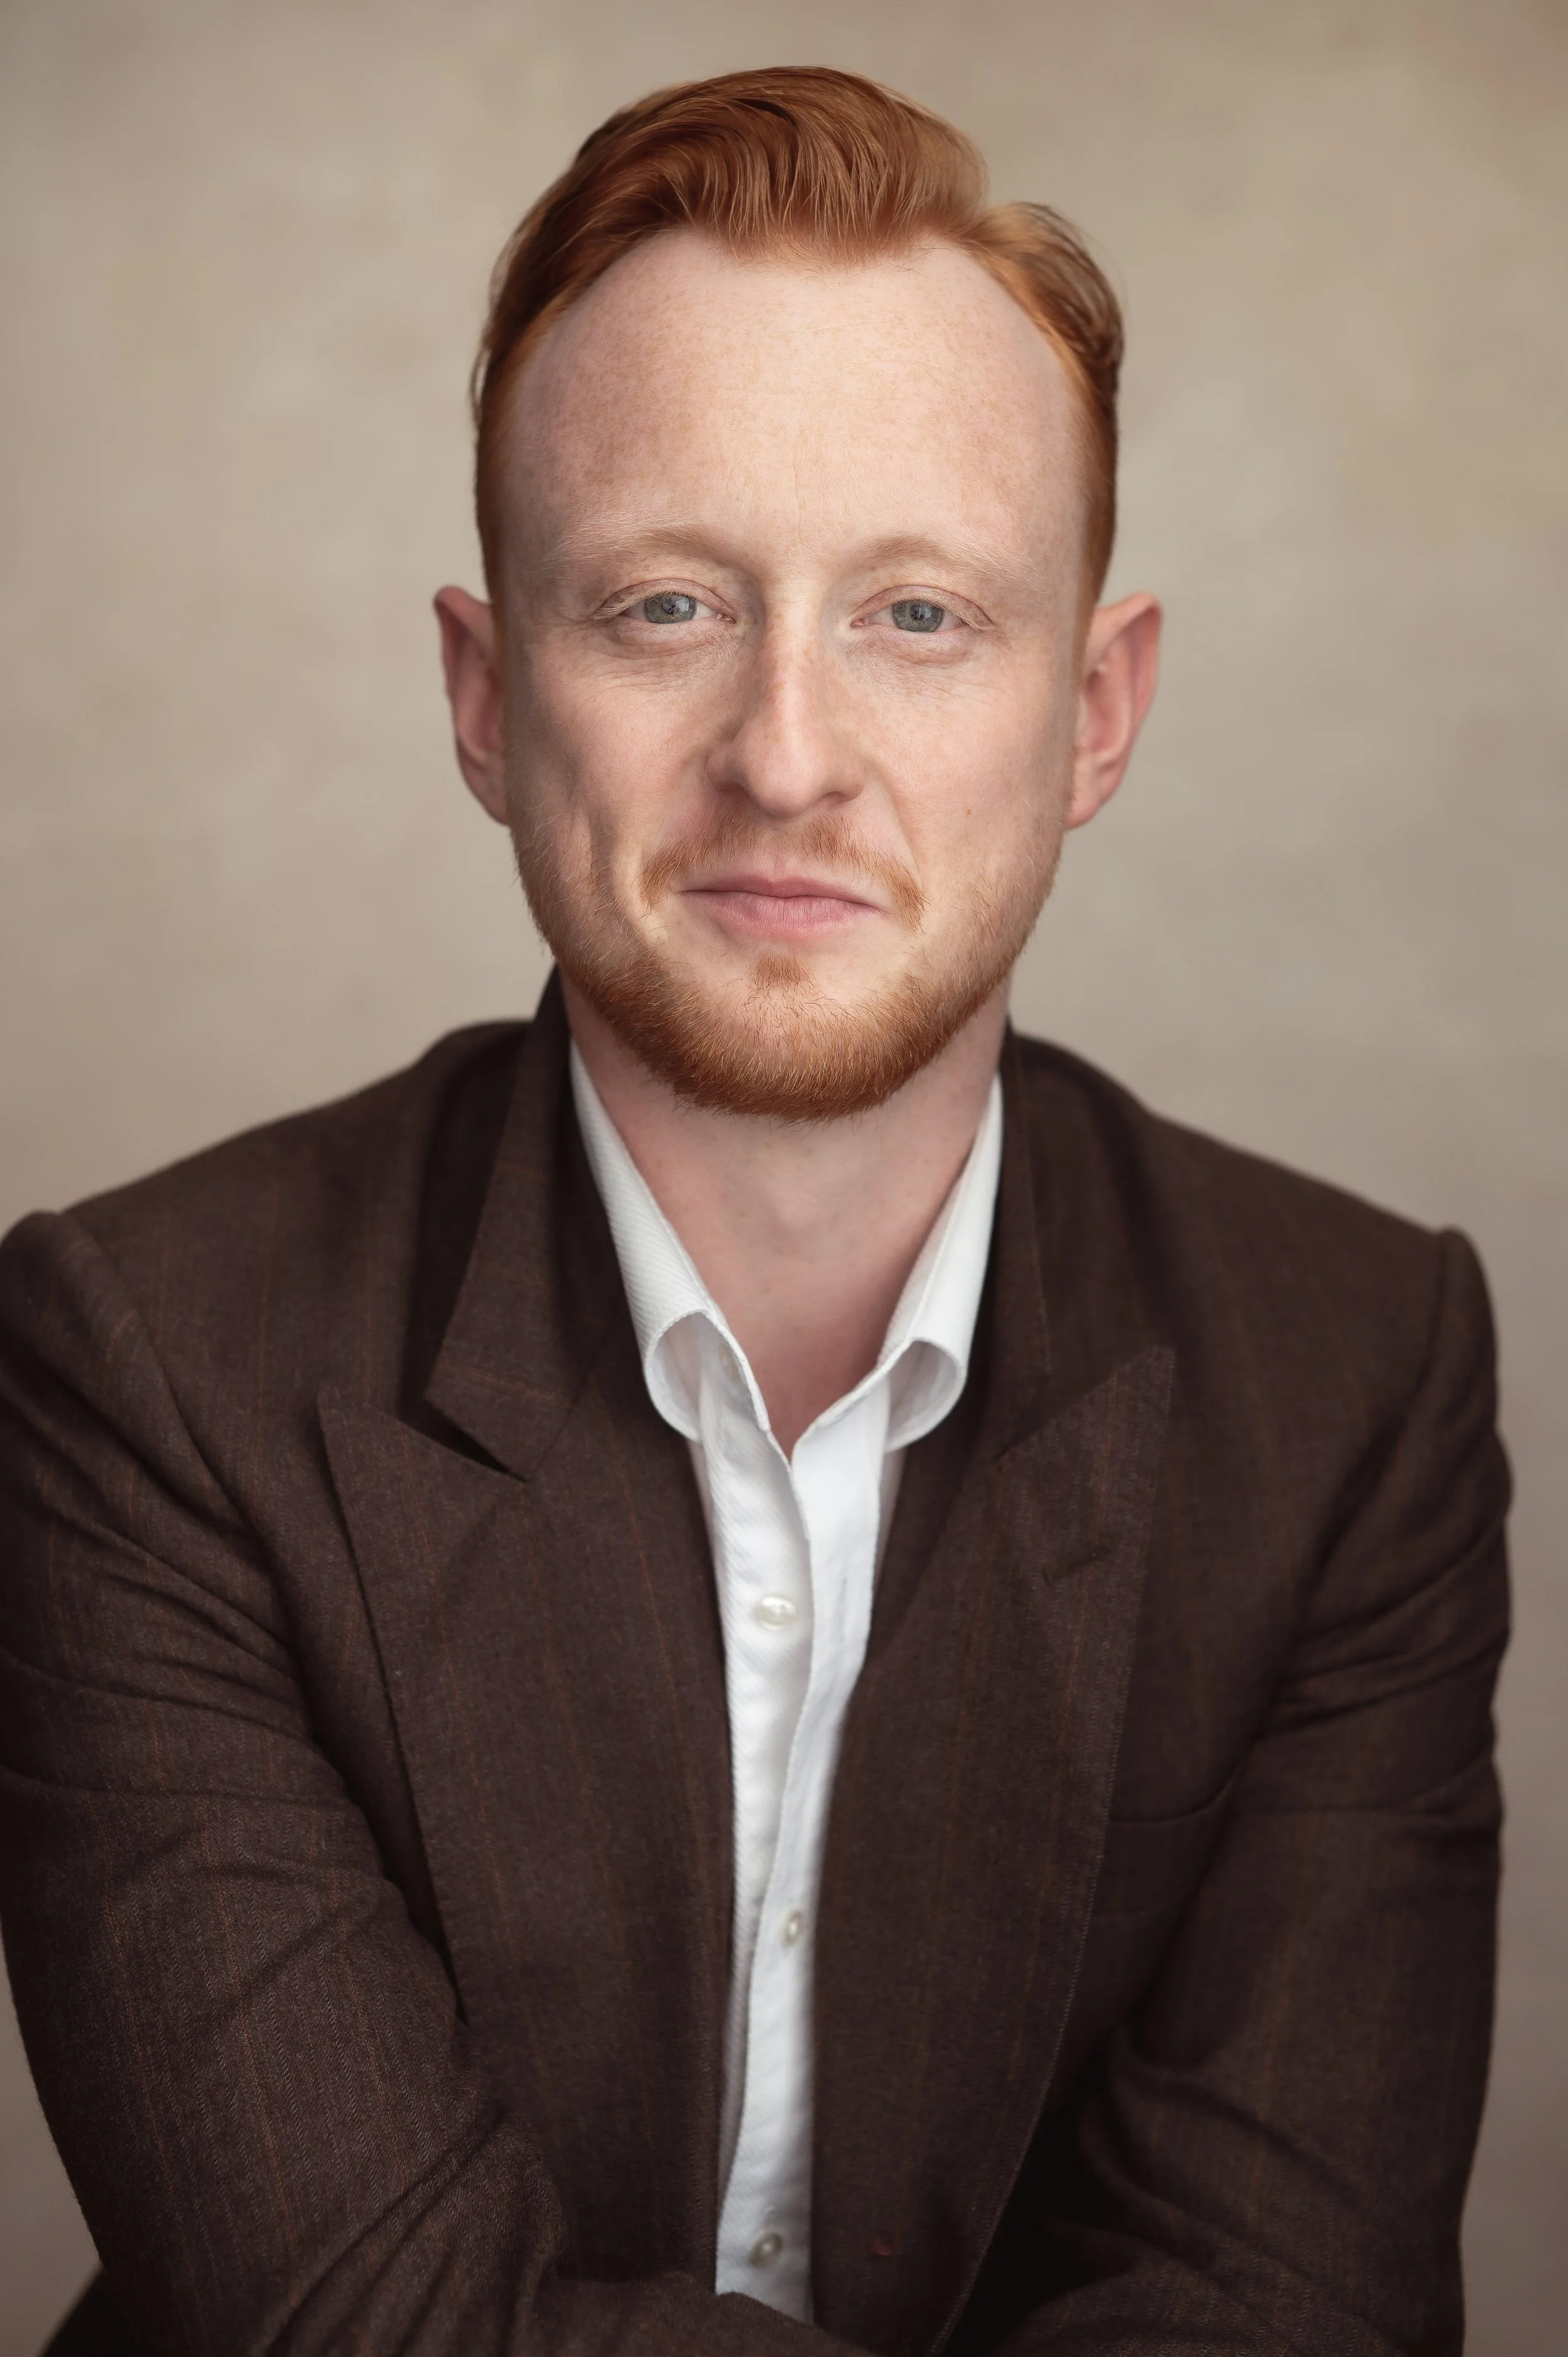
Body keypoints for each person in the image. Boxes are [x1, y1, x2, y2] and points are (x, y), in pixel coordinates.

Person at [0, 66, 1508, 2357]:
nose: (786, 752)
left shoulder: (1352, 1382)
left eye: (917, 612)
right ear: (492, 700)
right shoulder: (141, 1358)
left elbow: (1277, 2302)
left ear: (1092, 714)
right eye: (667, 603)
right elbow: (370, 2330)